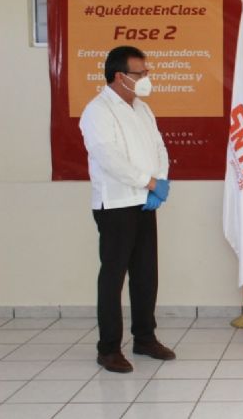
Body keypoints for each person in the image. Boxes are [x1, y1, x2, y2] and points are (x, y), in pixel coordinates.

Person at [78, 46, 176, 373]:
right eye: (140, 73)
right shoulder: (97, 111)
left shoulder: (142, 109)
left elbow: (159, 146)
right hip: (116, 204)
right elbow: (109, 157)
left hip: (145, 203)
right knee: (113, 276)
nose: (146, 78)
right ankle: (108, 349)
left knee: (146, 274)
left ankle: (145, 338)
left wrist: (160, 181)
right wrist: (147, 182)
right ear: (120, 76)